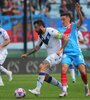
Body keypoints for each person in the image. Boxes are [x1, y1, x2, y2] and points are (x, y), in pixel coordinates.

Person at [21, 20, 69, 96]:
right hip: (51, 57)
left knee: (41, 66)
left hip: (57, 55)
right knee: (45, 77)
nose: (35, 30)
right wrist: (27, 54)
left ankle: (37, 90)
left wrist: (61, 49)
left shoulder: (51, 31)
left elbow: (66, 38)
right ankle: (63, 87)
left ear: (41, 26)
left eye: (36, 28)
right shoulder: (41, 36)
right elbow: (37, 48)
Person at [59, 3, 90, 97]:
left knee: (83, 72)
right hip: (66, 53)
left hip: (77, 53)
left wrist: (78, 11)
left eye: (63, 19)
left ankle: (86, 87)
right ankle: (64, 91)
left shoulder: (73, 26)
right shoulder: (59, 30)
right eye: (61, 19)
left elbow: (81, 20)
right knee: (63, 69)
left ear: (69, 19)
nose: (62, 21)